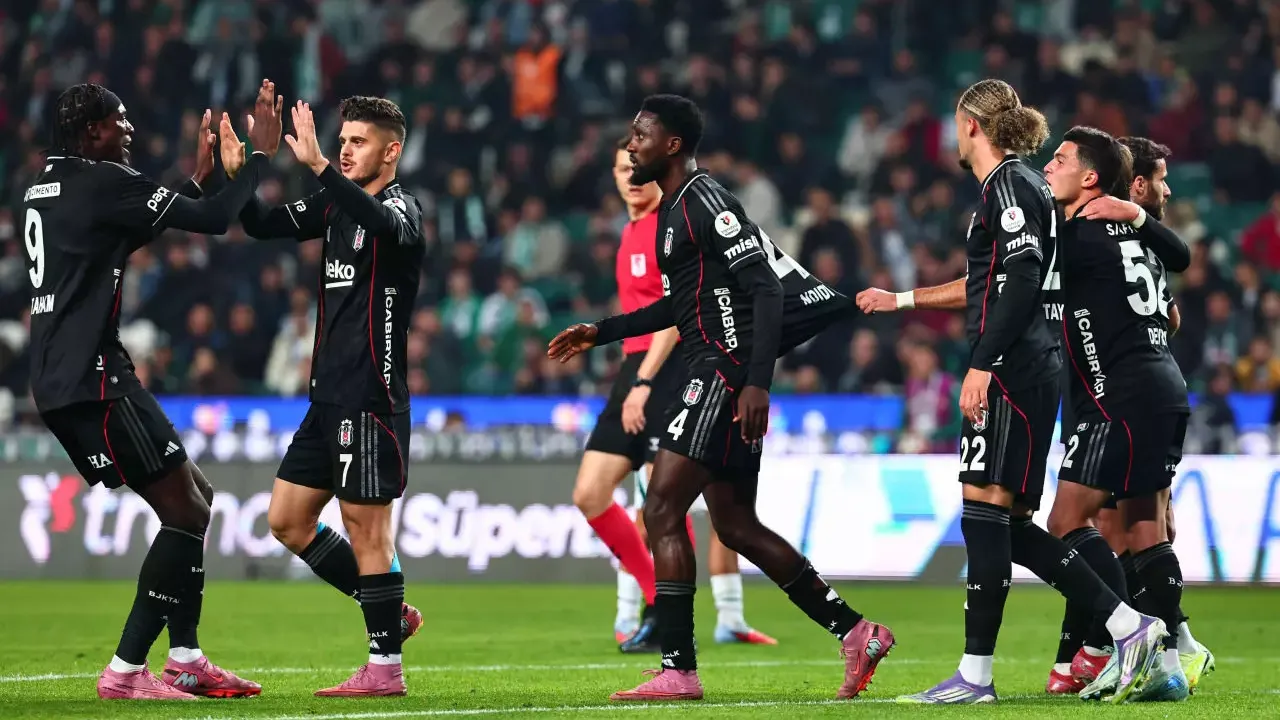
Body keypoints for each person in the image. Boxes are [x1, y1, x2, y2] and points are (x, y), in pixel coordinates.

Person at [548, 94, 895, 703]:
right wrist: (601, 331)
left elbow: (765, 288)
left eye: (641, 135)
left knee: (661, 509)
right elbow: (679, 307)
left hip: (721, 375)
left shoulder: (706, 201)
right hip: (722, 373)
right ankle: (856, 631)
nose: (631, 145)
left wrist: (756, 380)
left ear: (673, 144)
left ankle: (677, 670)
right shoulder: (673, 212)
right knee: (735, 525)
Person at [856, 80, 1166, 705]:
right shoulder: (1021, 188)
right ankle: (1128, 625)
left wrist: (983, 363)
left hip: (1013, 369)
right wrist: (904, 299)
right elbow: (988, 281)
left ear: (971, 124)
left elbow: (1020, 277)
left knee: (982, 513)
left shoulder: (1009, 185)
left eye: (955, 122)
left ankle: (978, 676)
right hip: (1031, 366)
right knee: (1008, 525)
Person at [23, 82, 277, 699]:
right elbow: (214, 221)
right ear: (91, 132)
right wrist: (260, 160)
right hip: (93, 378)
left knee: (199, 495)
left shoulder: (43, 187)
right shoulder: (104, 181)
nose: (129, 130)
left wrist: (193, 179)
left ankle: (185, 658)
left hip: (65, 374)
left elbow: (123, 231)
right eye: (119, 121)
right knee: (185, 512)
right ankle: (127, 670)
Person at [225, 83, 425, 697]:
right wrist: (242, 174)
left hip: (370, 397)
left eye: (358, 142)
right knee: (287, 520)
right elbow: (261, 224)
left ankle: (384, 669)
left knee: (368, 530)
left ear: (391, 152)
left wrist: (317, 167)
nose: (344, 150)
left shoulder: (402, 210)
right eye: (342, 141)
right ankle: (389, 612)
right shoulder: (335, 205)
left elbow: (380, 221)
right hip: (326, 398)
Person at [578, 137, 776, 652]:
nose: (629, 176)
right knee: (590, 493)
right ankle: (652, 600)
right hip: (634, 368)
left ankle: (667, 615)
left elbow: (677, 313)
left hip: (667, 368)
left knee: (661, 498)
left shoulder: (665, 228)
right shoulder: (630, 231)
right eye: (620, 168)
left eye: (635, 166)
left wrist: (645, 381)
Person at [1046, 136, 1214, 695]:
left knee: (1070, 524)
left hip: (1117, 397)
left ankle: (1129, 641)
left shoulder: (1078, 238)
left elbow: (1007, 286)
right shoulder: (1140, 239)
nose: (1049, 169)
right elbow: (1174, 296)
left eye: (1060, 161)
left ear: (1093, 178)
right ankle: (1171, 658)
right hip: (1164, 388)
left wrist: (907, 299)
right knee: (1145, 529)